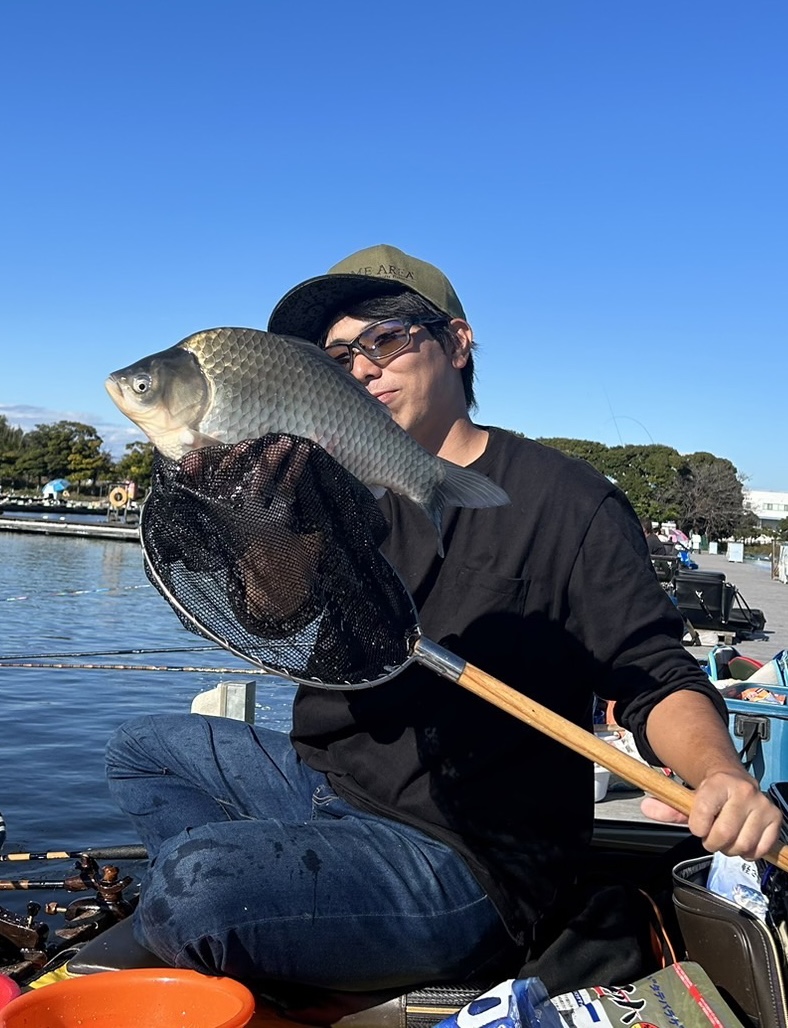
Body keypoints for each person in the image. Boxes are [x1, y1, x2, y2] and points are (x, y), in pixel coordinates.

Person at [106, 244, 781, 1003]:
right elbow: (272, 615)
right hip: (329, 789)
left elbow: (654, 674)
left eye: (385, 340)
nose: (361, 369)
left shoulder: (567, 500)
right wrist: (258, 521)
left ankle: (278, 936)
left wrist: (721, 774)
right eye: (337, 357)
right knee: (142, 750)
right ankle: (283, 930)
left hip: (467, 857)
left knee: (193, 891)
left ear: (458, 343)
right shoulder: (322, 489)